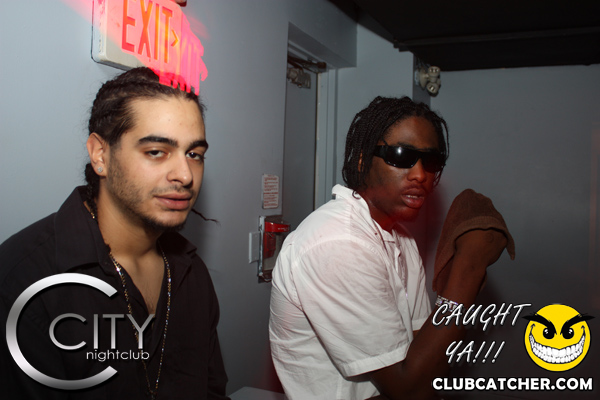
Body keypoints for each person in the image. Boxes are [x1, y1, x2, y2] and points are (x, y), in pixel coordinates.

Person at [0, 67, 229, 399]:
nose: (185, 175)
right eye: (156, 152)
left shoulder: (190, 272)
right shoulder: (25, 281)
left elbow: (213, 392)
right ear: (101, 155)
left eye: (194, 155)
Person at [269, 96, 507, 399]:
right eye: (401, 155)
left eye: (431, 161)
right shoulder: (337, 243)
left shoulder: (400, 238)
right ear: (362, 161)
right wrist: (469, 266)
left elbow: (426, 358)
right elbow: (412, 390)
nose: (420, 174)